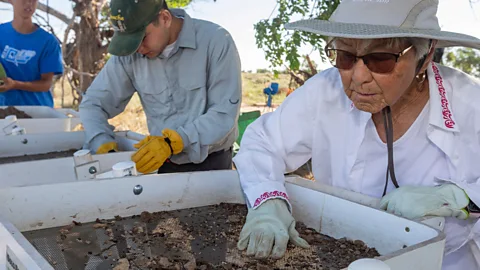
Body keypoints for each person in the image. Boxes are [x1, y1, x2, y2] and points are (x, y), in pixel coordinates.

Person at [233, 0, 480, 269]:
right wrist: (267, 201)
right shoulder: (324, 92)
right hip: (341, 257)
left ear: (425, 56)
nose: (358, 76)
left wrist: (461, 197)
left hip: (443, 262)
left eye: (381, 59)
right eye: (345, 57)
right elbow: (263, 142)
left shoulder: (469, 104)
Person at [79, 0, 242, 174]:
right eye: (129, 41)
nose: (137, 48)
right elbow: (93, 104)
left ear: (164, 18)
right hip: (160, 163)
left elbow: (224, 113)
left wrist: (177, 141)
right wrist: (100, 139)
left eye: (141, 37)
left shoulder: (216, 41)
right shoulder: (129, 55)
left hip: (212, 163)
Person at [0, 0, 63, 107]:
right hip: (4, 112)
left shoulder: (48, 42)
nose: (29, 3)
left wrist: (15, 84)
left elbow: (46, 84)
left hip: (37, 113)